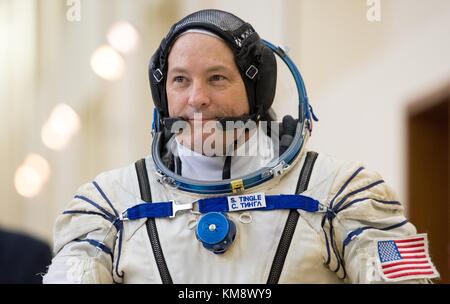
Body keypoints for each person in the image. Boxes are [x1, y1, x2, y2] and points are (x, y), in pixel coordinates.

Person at [43, 9, 439, 284]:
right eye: (180, 80)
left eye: (217, 78)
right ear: (162, 94)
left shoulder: (345, 192)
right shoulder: (108, 206)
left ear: (256, 89)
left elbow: (401, 271)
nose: (196, 99)